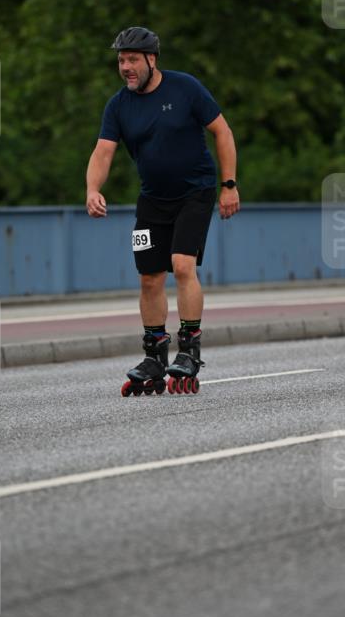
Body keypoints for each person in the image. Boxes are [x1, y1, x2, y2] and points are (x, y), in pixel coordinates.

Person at [86, 26, 240, 394]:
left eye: (132, 60)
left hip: (195, 193)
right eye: (121, 60)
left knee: (183, 265)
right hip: (152, 199)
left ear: (151, 60)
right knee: (149, 277)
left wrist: (229, 185)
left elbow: (223, 132)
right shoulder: (118, 105)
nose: (125, 67)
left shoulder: (185, 88)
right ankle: (155, 356)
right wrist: (93, 189)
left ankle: (188, 350)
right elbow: (103, 151)